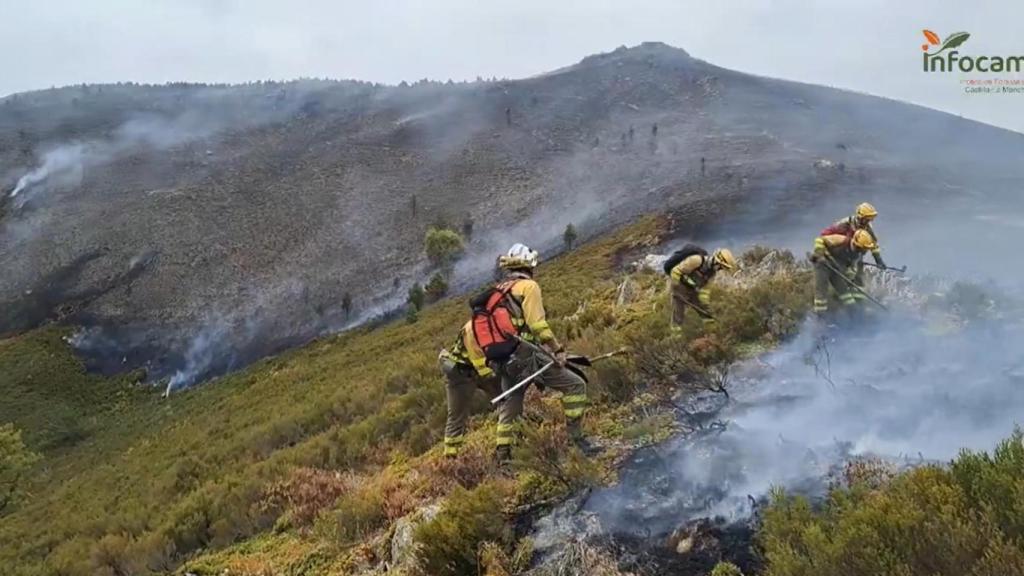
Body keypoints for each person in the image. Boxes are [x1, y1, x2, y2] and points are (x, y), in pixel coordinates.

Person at [484, 243, 592, 463]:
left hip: (502, 359)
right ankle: (576, 441)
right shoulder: (529, 287)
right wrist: (557, 350)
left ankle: (502, 457)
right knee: (575, 385)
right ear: (530, 265)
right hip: (526, 354)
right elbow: (538, 326)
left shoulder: (497, 292)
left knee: (511, 404)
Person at [438, 321, 501, 458]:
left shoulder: (494, 321)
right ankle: (451, 457)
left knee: (505, 399)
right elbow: (481, 365)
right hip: (461, 374)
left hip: (480, 370)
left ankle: (509, 439)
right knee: (456, 416)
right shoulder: (472, 329)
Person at [821, 203, 887, 302]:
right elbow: (826, 235)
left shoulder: (867, 227)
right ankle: (839, 298)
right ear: (860, 216)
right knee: (842, 275)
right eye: (867, 218)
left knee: (858, 277)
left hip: (856, 255)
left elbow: (873, 243)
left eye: (870, 219)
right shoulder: (845, 224)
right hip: (841, 254)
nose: (869, 221)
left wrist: (878, 259)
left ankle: (859, 301)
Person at [811, 228, 877, 317]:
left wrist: (849, 278)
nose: (861, 251)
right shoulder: (841, 240)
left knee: (845, 292)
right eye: (860, 248)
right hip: (823, 264)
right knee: (821, 291)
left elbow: (851, 268)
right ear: (854, 243)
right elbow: (819, 240)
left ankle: (854, 314)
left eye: (864, 249)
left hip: (836, 268)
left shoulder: (856, 254)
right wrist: (819, 253)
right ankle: (820, 317)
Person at [668, 247, 738, 329]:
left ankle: (711, 329)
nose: (720, 269)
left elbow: (705, 291)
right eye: (721, 267)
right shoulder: (696, 260)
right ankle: (676, 333)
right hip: (680, 286)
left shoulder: (711, 273)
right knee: (678, 309)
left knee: (704, 311)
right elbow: (675, 271)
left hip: (693, 289)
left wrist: (705, 304)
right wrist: (676, 287)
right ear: (716, 262)